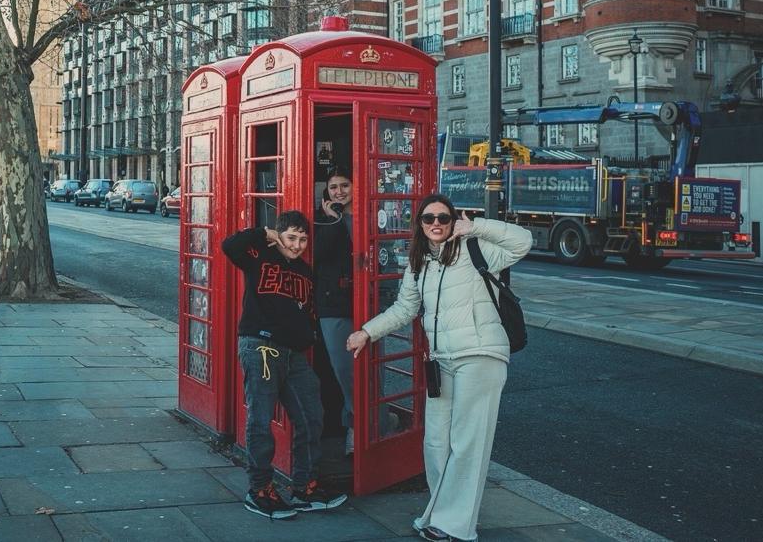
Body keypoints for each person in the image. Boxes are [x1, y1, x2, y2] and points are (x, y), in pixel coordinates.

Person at [346, 194, 531, 542]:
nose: (436, 223)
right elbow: (404, 310)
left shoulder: (478, 250)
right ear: (419, 223)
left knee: (467, 442)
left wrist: (475, 226)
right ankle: (439, 512)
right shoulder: (418, 264)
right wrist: (366, 332)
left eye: (443, 218)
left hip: (481, 354)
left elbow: (524, 241)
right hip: (442, 360)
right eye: (429, 218)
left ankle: (455, 526)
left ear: (452, 220)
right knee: (436, 441)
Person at [222, 211, 348, 520]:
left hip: (294, 353)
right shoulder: (258, 257)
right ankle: (259, 488)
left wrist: (309, 336)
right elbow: (229, 245)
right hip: (260, 346)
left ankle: (304, 486)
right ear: (279, 236)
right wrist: (266, 233)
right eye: (291, 238)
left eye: (303, 239)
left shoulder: (306, 271)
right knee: (260, 419)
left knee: (311, 415)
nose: (297, 245)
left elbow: (307, 311)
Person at [313, 167, 355, 455]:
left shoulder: (368, 213)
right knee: (343, 368)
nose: (339, 191)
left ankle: (362, 426)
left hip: (366, 300)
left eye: (344, 185)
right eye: (333, 187)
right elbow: (319, 256)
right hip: (334, 303)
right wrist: (334, 220)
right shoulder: (325, 220)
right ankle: (351, 423)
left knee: (364, 370)